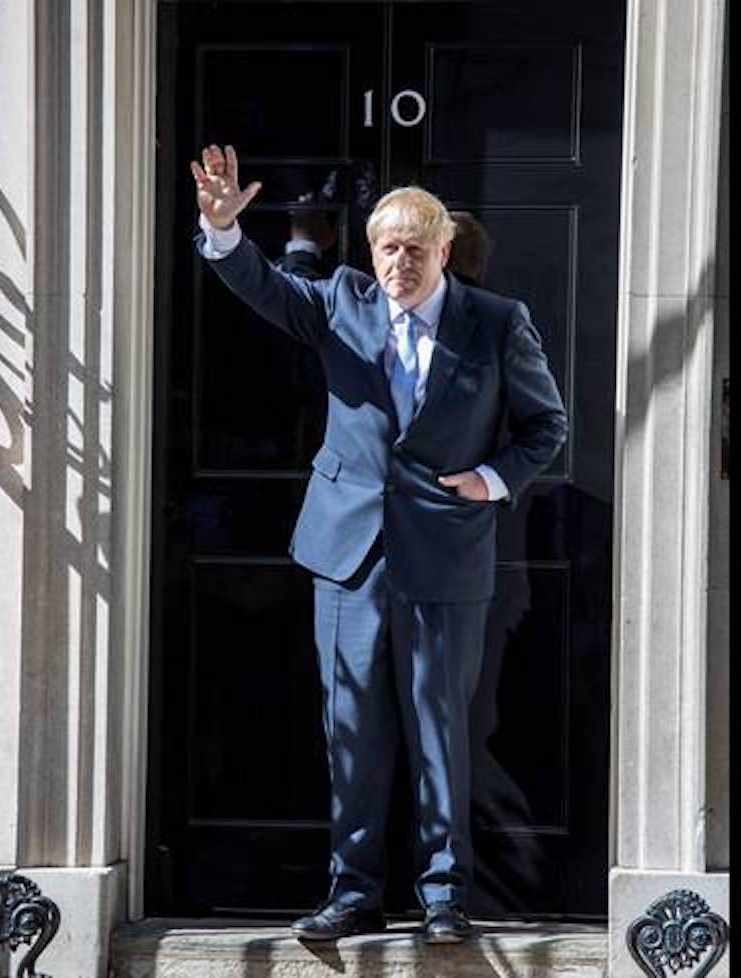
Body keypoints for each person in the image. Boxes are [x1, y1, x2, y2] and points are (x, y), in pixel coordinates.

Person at [190, 143, 568, 943]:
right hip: (349, 556)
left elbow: (547, 426)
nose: (399, 261)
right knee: (351, 732)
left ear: (442, 251)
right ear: (371, 252)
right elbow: (262, 288)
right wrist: (222, 230)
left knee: (440, 730)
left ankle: (442, 897)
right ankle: (353, 892)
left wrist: (492, 482)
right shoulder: (340, 302)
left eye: (414, 248)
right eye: (386, 247)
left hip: (446, 551)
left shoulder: (497, 324)